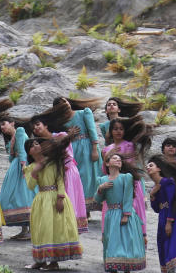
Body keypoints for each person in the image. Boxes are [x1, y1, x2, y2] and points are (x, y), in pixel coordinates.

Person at [25, 135, 83, 270]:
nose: (36, 146)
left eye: (37, 143)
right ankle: (40, 260)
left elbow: (60, 181)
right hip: (41, 199)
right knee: (41, 229)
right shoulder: (30, 167)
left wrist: (60, 198)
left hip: (56, 197)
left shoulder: (54, 163)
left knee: (55, 228)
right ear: (29, 152)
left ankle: (54, 262)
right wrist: (36, 169)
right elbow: (30, 185)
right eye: (32, 146)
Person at [31, 104, 88, 232]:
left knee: (70, 199)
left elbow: (63, 151)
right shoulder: (41, 145)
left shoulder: (60, 135)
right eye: (33, 128)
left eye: (38, 124)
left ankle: (71, 228)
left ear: (45, 125)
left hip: (68, 172)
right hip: (54, 175)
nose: (35, 128)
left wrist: (68, 136)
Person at [95, 152, 147, 272]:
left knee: (125, 241)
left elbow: (128, 196)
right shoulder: (101, 180)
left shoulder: (126, 177)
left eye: (120, 159)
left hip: (123, 213)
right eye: (114, 158)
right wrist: (100, 189)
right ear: (107, 163)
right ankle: (112, 267)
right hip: (110, 215)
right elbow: (97, 200)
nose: (118, 160)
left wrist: (126, 214)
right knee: (112, 241)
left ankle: (126, 268)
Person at [102, 116, 151, 241]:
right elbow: (104, 170)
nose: (118, 131)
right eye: (115, 129)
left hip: (130, 183)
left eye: (121, 129)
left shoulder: (130, 145)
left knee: (134, 211)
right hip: (114, 185)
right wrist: (108, 155)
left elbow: (129, 166)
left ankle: (138, 240)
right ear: (111, 131)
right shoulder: (106, 149)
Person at [55, 96, 103, 214]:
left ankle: (89, 207)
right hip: (73, 150)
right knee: (78, 178)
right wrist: (69, 135)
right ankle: (83, 209)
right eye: (61, 104)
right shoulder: (61, 121)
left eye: (65, 101)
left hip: (87, 147)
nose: (65, 104)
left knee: (88, 177)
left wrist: (94, 149)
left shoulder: (83, 113)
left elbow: (92, 130)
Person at [0, 117, 35, 240]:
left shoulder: (19, 131)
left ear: (12, 123)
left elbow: (24, 151)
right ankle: (24, 229)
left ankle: (30, 229)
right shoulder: (10, 140)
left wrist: (24, 165)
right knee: (17, 194)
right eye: (0, 127)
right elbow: (10, 158)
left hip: (21, 166)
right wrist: (13, 151)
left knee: (24, 194)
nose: (2, 128)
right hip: (16, 166)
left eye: (4, 124)